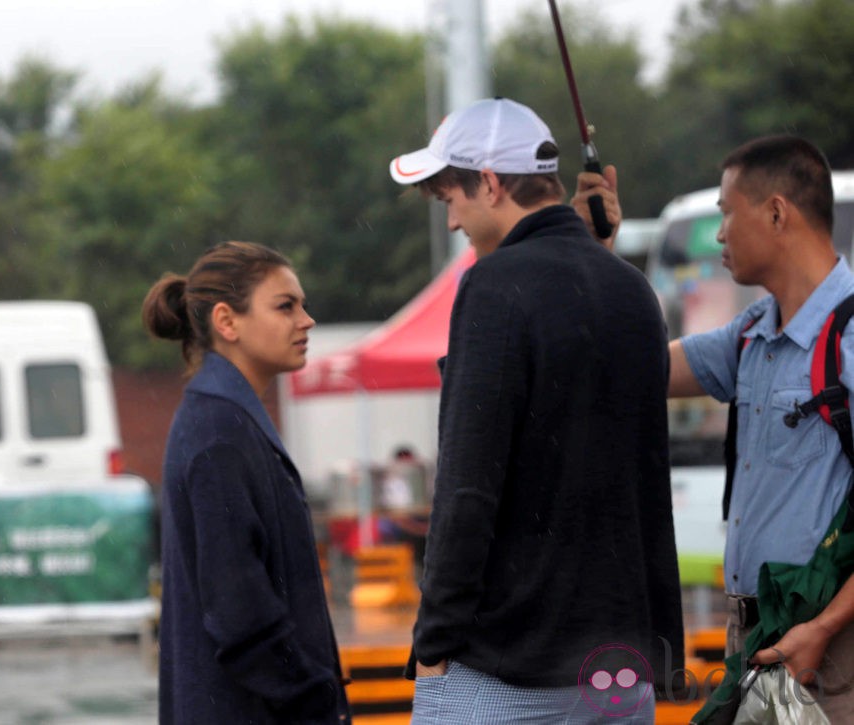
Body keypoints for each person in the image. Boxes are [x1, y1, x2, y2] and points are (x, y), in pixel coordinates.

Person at [388, 97, 684, 722]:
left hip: (509, 670)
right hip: (621, 665)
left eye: (451, 199)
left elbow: (468, 484)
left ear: (490, 184)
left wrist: (434, 641)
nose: (452, 222)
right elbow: (642, 480)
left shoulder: (495, 286)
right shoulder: (632, 291)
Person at [666, 135, 854, 721]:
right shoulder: (751, 333)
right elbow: (633, 367)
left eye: (726, 212)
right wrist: (595, 251)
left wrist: (823, 628)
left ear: (776, 212)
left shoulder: (849, 340)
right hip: (754, 635)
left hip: (833, 644)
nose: (720, 234)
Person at [142, 241, 350, 724]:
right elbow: (239, 612)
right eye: (285, 306)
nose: (307, 320)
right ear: (226, 321)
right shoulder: (219, 431)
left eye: (302, 304)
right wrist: (312, 697)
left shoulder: (227, 419)